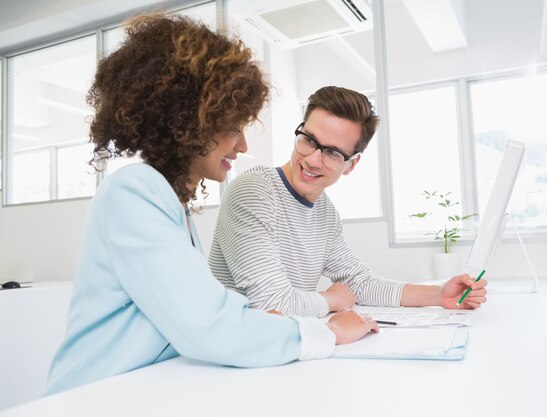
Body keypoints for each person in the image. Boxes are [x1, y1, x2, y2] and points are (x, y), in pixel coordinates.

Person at [46, 15, 378, 395]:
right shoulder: (133, 191)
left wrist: (259, 324)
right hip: (87, 398)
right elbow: (206, 326)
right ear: (190, 121)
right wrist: (327, 332)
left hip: (142, 388)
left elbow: (198, 315)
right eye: (234, 127)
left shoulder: (170, 203)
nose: (243, 146)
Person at [209, 86, 488, 318]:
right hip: (238, 356)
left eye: (332, 153)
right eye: (308, 140)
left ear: (351, 165)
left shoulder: (325, 211)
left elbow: (359, 283)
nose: (312, 160)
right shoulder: (253, 191)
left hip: (283, 347)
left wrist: (438, 294)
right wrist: (330, 300)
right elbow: (271, 305)